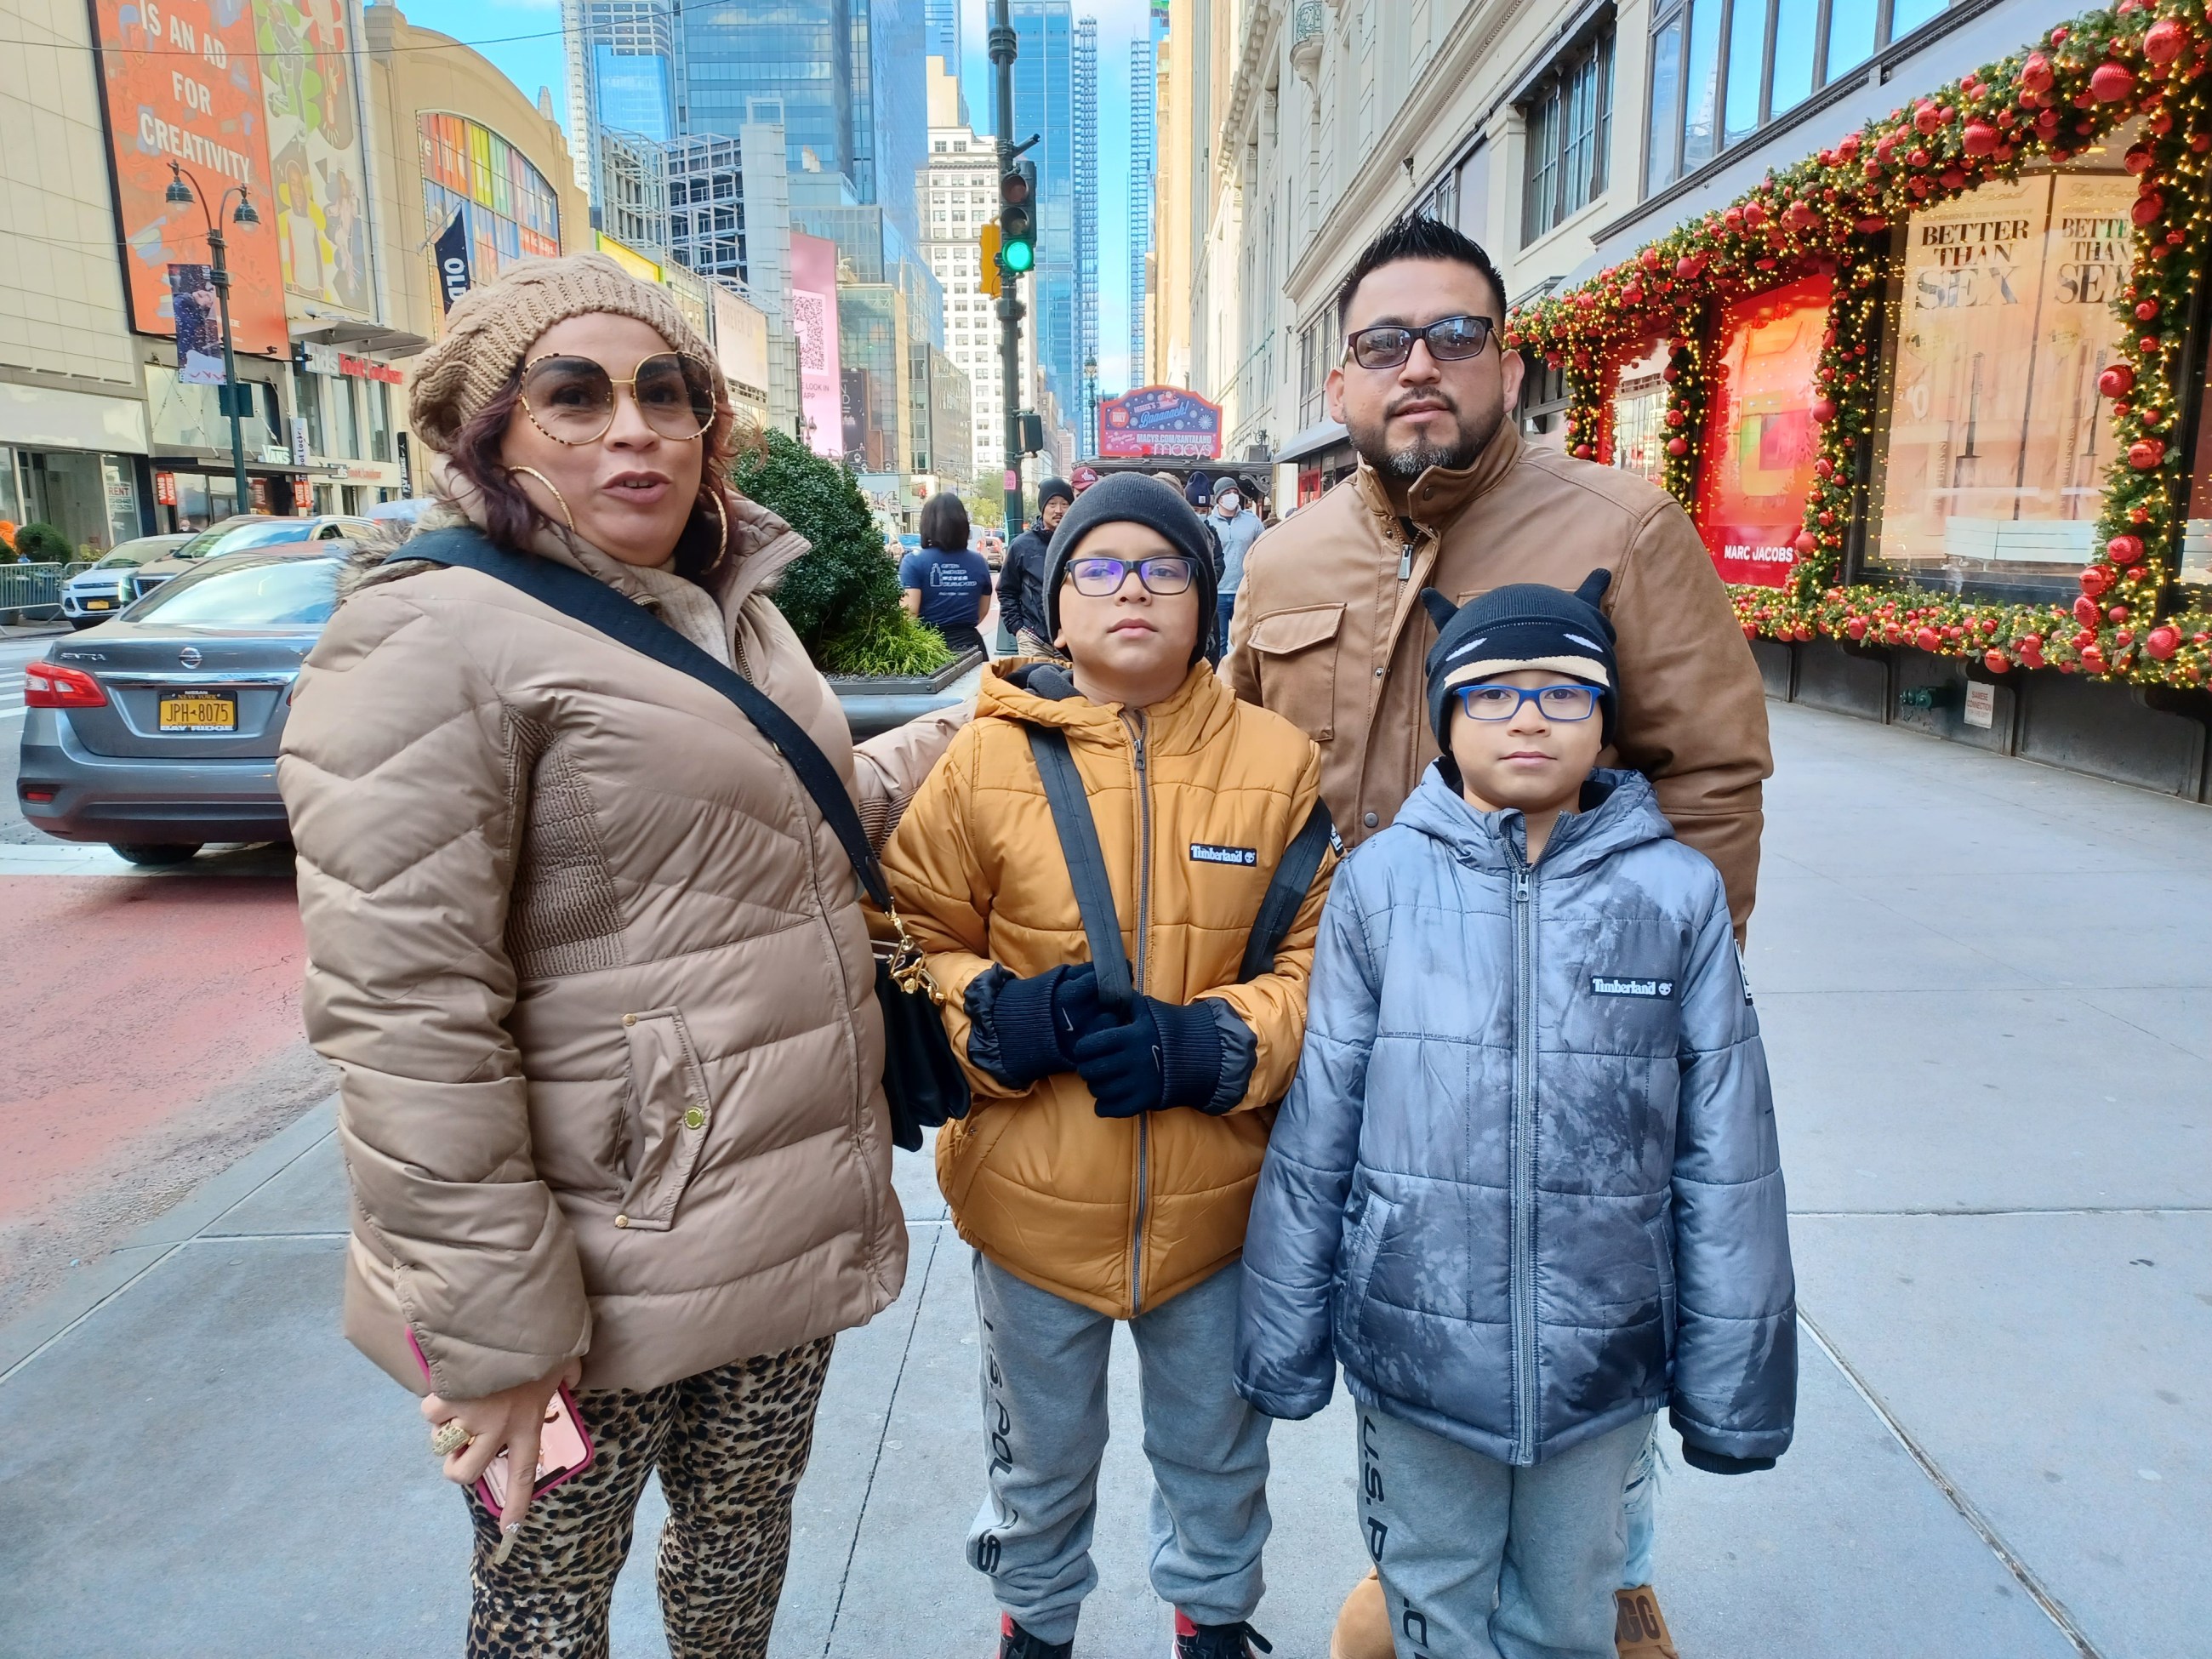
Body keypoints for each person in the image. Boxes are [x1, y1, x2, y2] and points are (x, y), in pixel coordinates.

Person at [277, 254, 960, 1659]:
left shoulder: (736, 612)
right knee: (544, 1613)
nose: (634, 429)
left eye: (668, 394)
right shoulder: (426, 635)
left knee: (736, 1567)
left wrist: (971, 728)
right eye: (574, 396)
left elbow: (775, 822)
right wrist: (498, 1330)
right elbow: (404, 1014)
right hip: (587, 1265)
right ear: (496, 432)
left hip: (773, 1210)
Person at [1223, 213, 1772, 1658]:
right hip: (1360, 1053)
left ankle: (1601, 1578)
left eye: (1454, 336)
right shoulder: (1280, 566)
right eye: (1383, 343)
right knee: (1409, 1356)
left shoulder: (1622, 527)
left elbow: (1711, 770)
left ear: (1507, 360)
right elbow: (1235, 782)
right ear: (1340, 382)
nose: (1420, 367)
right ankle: (1425, 1584)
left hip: (1576, 1061)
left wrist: (1654, 1002)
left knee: (1580, 1357)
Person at [881, 473, 1335, 1659]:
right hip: (1029, 1205)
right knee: (1038, 1452)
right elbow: (910, 936)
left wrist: (1221, 1040)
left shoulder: (1282, 764)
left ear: (1206, 596)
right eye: (1099, 567)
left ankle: (1215, 1618)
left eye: (1163, 566)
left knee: (1218, 1446)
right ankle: (1036, 1624)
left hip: (1221, 1211)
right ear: (1055, 600)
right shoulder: (981, 763)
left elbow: (1323, 963)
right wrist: (990, 1015)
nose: (1131, 589)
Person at [901, 491, 992, 657]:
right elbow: (982, 611)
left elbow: (909, 613)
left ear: (926, 524)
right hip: (972, 647)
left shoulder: (913, 562)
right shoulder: (979, 562)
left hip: (930, 650)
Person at [998, 476, 1074, 654]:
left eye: (1064, 504)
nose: (1058, 510)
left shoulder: (1080, 541)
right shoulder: (1022, 545)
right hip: (1034, 640)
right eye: (1052, 503)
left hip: (1074, 640)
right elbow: (1007, 590)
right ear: (1043, 507)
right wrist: (1018, 628)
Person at [1208, 478, 1264, 653]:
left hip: (1244, 590)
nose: (1232, 496)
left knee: (1246, 639)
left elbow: (1263, 547)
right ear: (1218, 498)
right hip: (1218, 591)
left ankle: (1243, 677)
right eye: (1227, 493)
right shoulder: (1209, 523)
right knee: (1220, 642)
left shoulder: (1252, 520)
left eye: (1234, 492)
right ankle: (1221, 676)